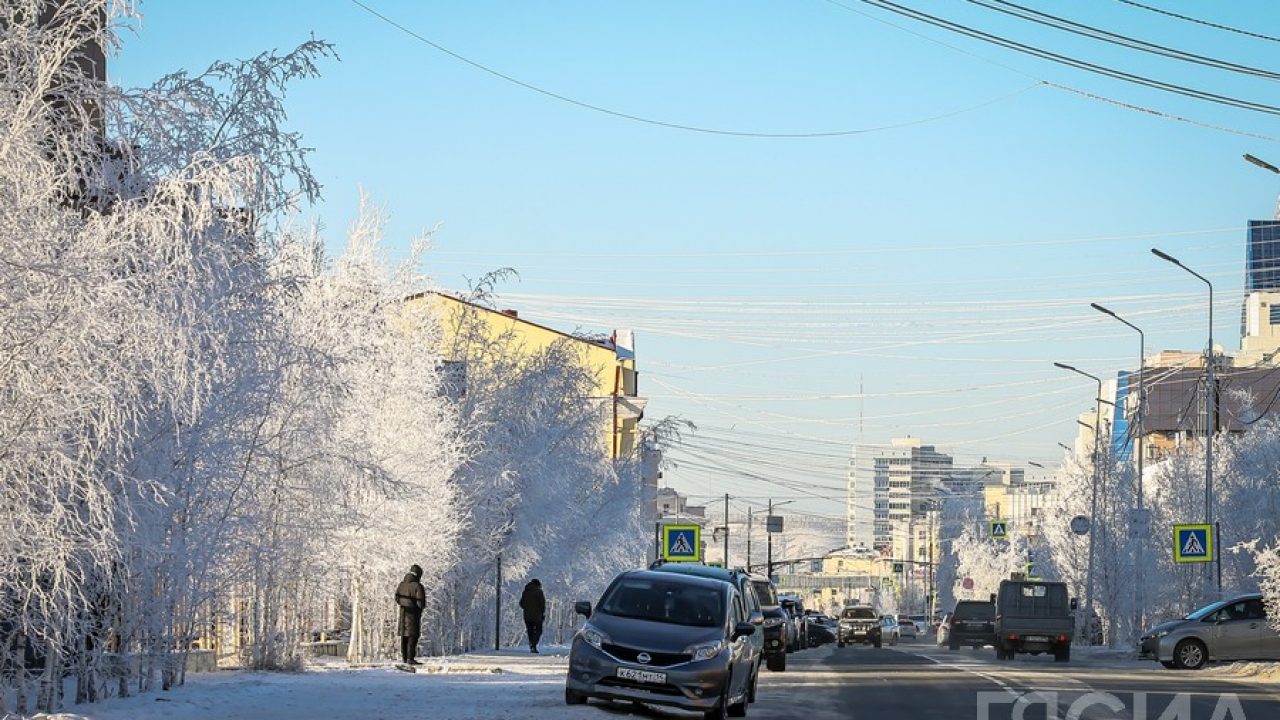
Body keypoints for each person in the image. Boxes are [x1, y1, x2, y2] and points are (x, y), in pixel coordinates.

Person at [395, 565, 426, 664]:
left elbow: (397, 598)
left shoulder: (401, 584)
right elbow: (420, 602)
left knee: (404, 636)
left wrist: (404, 604)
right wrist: (417, 608)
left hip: (403, 613)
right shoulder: (417, 586)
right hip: (413, 615)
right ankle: (410, 658)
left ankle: (404, 658)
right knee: (412, 636)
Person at [518, 579, 546, 654]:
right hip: (537, 616)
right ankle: (534, 644)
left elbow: (521, 603)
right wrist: (542, 613)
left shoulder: (525, 592)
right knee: (538, 631)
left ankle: (532, 645)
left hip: (527, 616)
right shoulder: (539, 592)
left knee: (530, 631)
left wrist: (527, 608)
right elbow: (542, 604)